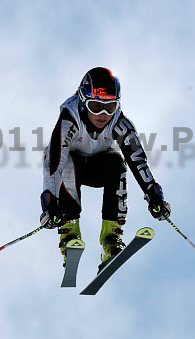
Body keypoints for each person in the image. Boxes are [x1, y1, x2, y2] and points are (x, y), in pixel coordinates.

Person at [40, 67, 171, 271]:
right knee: (68, 161)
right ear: (83, 102)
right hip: (68, 168)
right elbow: (55, 161)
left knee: (117, 162)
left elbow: (137, 159)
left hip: (98, 169)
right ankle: (70, 232)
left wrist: (153, 193)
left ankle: (111, 239)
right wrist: (50, 201)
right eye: (95, 106)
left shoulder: (119, 122)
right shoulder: (69, 118)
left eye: (110, 107)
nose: (102, 115)